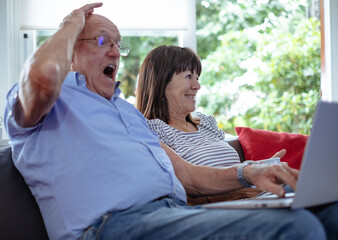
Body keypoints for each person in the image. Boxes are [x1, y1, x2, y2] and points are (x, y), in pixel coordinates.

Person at [4, 3, 338, 240]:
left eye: (119, 44)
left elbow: (188, 176)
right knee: (297, 231)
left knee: (330, 213)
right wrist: (71, 22)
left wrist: (248, 171)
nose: (117, 53)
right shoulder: (43, 102)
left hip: (176, 215)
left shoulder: (128, 113)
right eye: (103, 41)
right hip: (113, 226)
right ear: (70, 51)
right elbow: (46, 73)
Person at [136, 45, 285, 203]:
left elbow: (229, 169)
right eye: (188, 76)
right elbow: (172, 195)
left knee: (297, 188)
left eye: (197, 78)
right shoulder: (154, 132)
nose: (197, 86)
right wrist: (233, 195)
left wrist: (260, 169)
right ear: (161, 82)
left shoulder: (205, 124)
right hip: (219, 210)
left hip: (248, 200)